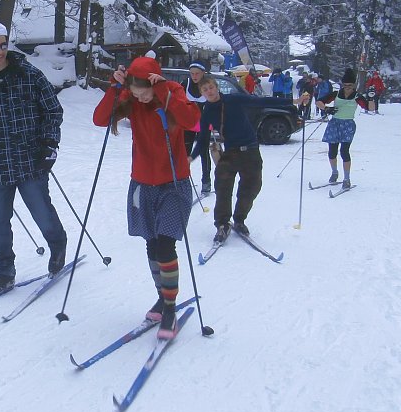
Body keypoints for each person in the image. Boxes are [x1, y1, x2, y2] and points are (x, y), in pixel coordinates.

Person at [93, 56, 200, 338]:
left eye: (144, 93)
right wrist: (115, 88)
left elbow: (191, 120)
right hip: (142, 184)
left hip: (173, 183)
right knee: (152, 245)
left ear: (154, 83)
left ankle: (170, 309)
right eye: (136, 94)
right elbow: (100, 119)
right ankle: (163, 298)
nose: (140, 99)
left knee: (165, 245)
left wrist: (162, 91)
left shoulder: (172, 92)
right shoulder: (130, 97)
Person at [0, 22, 68, 297]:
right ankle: (4, 273)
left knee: (42, 213)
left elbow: (53, 110)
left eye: (3, 44)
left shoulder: (29, 75)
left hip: (30, 160)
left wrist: (49, 144)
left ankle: (58, 244)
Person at [191, 75, 297, 242]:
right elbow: (203, 139)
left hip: (251, 150)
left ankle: (239, 219)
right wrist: (191, 157)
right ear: (201, 93)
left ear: (216, 87)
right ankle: (222, 224)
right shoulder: (208, 112)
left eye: (211, 87)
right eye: (205, 90)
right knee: (222, 188)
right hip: (230, 153)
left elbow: (260, 102)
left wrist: (292, 102)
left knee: (252, 187)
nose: (209, 91)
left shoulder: (233, 99)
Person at [316, 68, 361, 188]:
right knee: (332, 151)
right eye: (345, 85)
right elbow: (319, 102)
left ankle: (347, 178)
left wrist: (371, 98)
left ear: (353, 85)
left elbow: (370, 108)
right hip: (335, 124)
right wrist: (327, 108)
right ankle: (334, 172)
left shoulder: (357, 96)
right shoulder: (336, 94)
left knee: (344, 151)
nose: (347, 88)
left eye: (350, 85)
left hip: (348, 125)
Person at [181, 61, 212, 195]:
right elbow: (177, 102)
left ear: (203, 73)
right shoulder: (185, 84)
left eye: (197, 73)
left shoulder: (209, 85)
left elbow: (216, 103)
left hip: (204, 124)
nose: (194, 76)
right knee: (185, 153)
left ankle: (206, 181)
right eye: (192, 73)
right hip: (188, 124)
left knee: (204, 153)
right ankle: (183, 180)